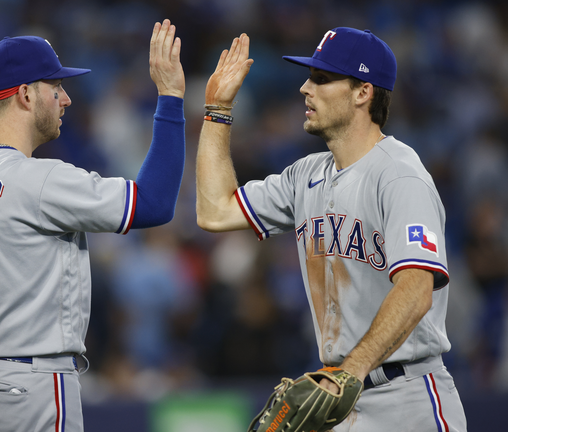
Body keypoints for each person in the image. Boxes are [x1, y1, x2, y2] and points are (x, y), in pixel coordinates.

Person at [0, 20, 185, 432]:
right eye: (56, 87)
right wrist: (171, 98)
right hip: (31, 386)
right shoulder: (40, 180)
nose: (66, 99)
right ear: (25, 94)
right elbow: (154, 204)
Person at [195, 28, 467, 431]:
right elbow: (215, 211)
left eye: (322, 79)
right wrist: (218, 110)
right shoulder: (305, 175)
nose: (305, 88)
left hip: (407, 397)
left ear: (363, 93)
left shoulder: (399, 175)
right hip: (341, 399)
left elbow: (416, 289)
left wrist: (349, 372)